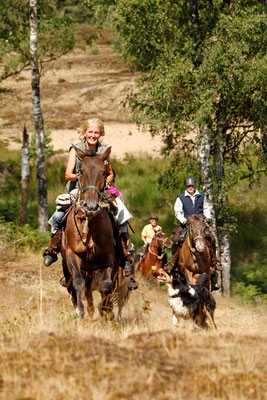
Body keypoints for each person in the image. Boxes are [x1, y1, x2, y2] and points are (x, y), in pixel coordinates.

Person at [43, 118, 137, 290]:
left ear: (100, 134)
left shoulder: (103, 151)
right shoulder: (75, 150)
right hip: (78, 189)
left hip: (99, 189)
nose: (93, 135)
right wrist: (83, 177)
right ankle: (54, 247)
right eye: (90, 132)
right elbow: (68, 174)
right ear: (84, 133)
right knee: (58, 214)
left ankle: (123, 248)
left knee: (120, 208)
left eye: (96, 132)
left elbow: (109, 174)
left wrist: (106, 182)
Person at [169, 176, 222, 290]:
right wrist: (183, 220)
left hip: (200, 223)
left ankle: (214, 261)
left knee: (211, 238)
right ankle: (173, 262)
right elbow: (177, 211)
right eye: (188, 186)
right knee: (177, 239)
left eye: (192, 186)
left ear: (195, 186)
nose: (190, 188)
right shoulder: (181, 197)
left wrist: (207, 218)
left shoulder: (201, 196)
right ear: (186, 187)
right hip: (187, 222)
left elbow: (207, 208)